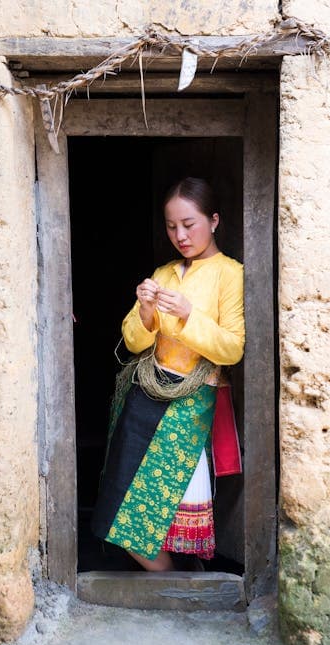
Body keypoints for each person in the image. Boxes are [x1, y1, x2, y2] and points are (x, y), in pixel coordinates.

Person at [91, 176, 245, 571]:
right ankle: (166, 581)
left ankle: (179, 581)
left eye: (189, 224)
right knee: (121, 503)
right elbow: (133, 341)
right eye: (171, 225)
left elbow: (232, 348)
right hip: (146, 395)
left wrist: (188, 315)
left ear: (213, 221)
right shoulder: (163, 274)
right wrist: (145, 313)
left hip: (190, 403)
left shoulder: (230, 274)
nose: (180, 234)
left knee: (161, 500)